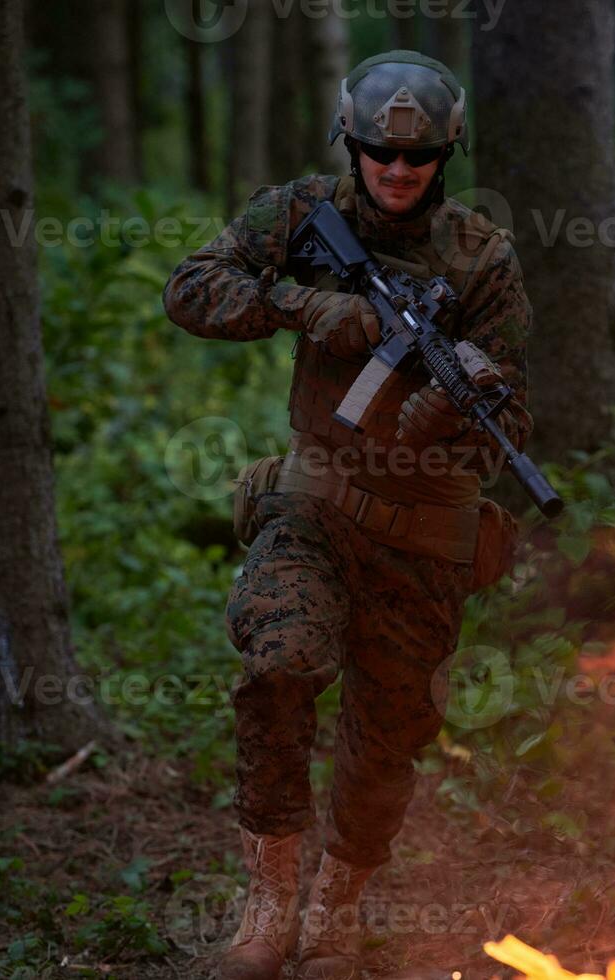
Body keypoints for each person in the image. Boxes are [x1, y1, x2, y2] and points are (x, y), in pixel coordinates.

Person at [163, 51, 532, 980]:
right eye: (378, 154)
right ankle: (269, 901)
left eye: (417, 160)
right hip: (319, 500)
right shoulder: (296, 215)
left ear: (446, 155)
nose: (397, 173)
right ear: (351, 144)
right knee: (281, 662)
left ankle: (335, 912)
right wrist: (300, 303)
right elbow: (190, 290)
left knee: (389, 730)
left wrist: (465, 394)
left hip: (427, 527)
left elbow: (514, 419)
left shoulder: (482, 256)